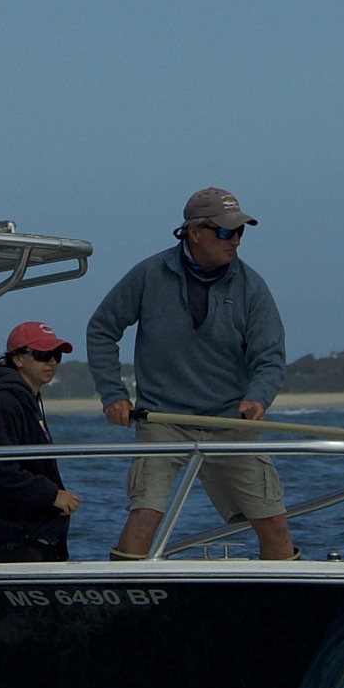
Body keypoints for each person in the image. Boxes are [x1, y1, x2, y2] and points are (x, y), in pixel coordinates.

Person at [85, 188, 294, 560]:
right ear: (194, 232)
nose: (236, 241)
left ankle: (286, 605)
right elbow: (102, 329)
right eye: (227, 232)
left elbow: (271, 355)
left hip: (231, 419)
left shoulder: (252, 286)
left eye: (241, 232)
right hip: (162, 417)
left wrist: (258, 398)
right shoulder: (149, 274)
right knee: (145, 515)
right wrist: (113, 394)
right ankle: (120, 600)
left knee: (273, 522)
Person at [0, 320, 81, 563]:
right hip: (15, 542)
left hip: (31, 538)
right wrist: (53, 495)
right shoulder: (1, 405)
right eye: (42, 354)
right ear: (18, 359)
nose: (51, 361)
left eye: (56, 355)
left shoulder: (25, 401)